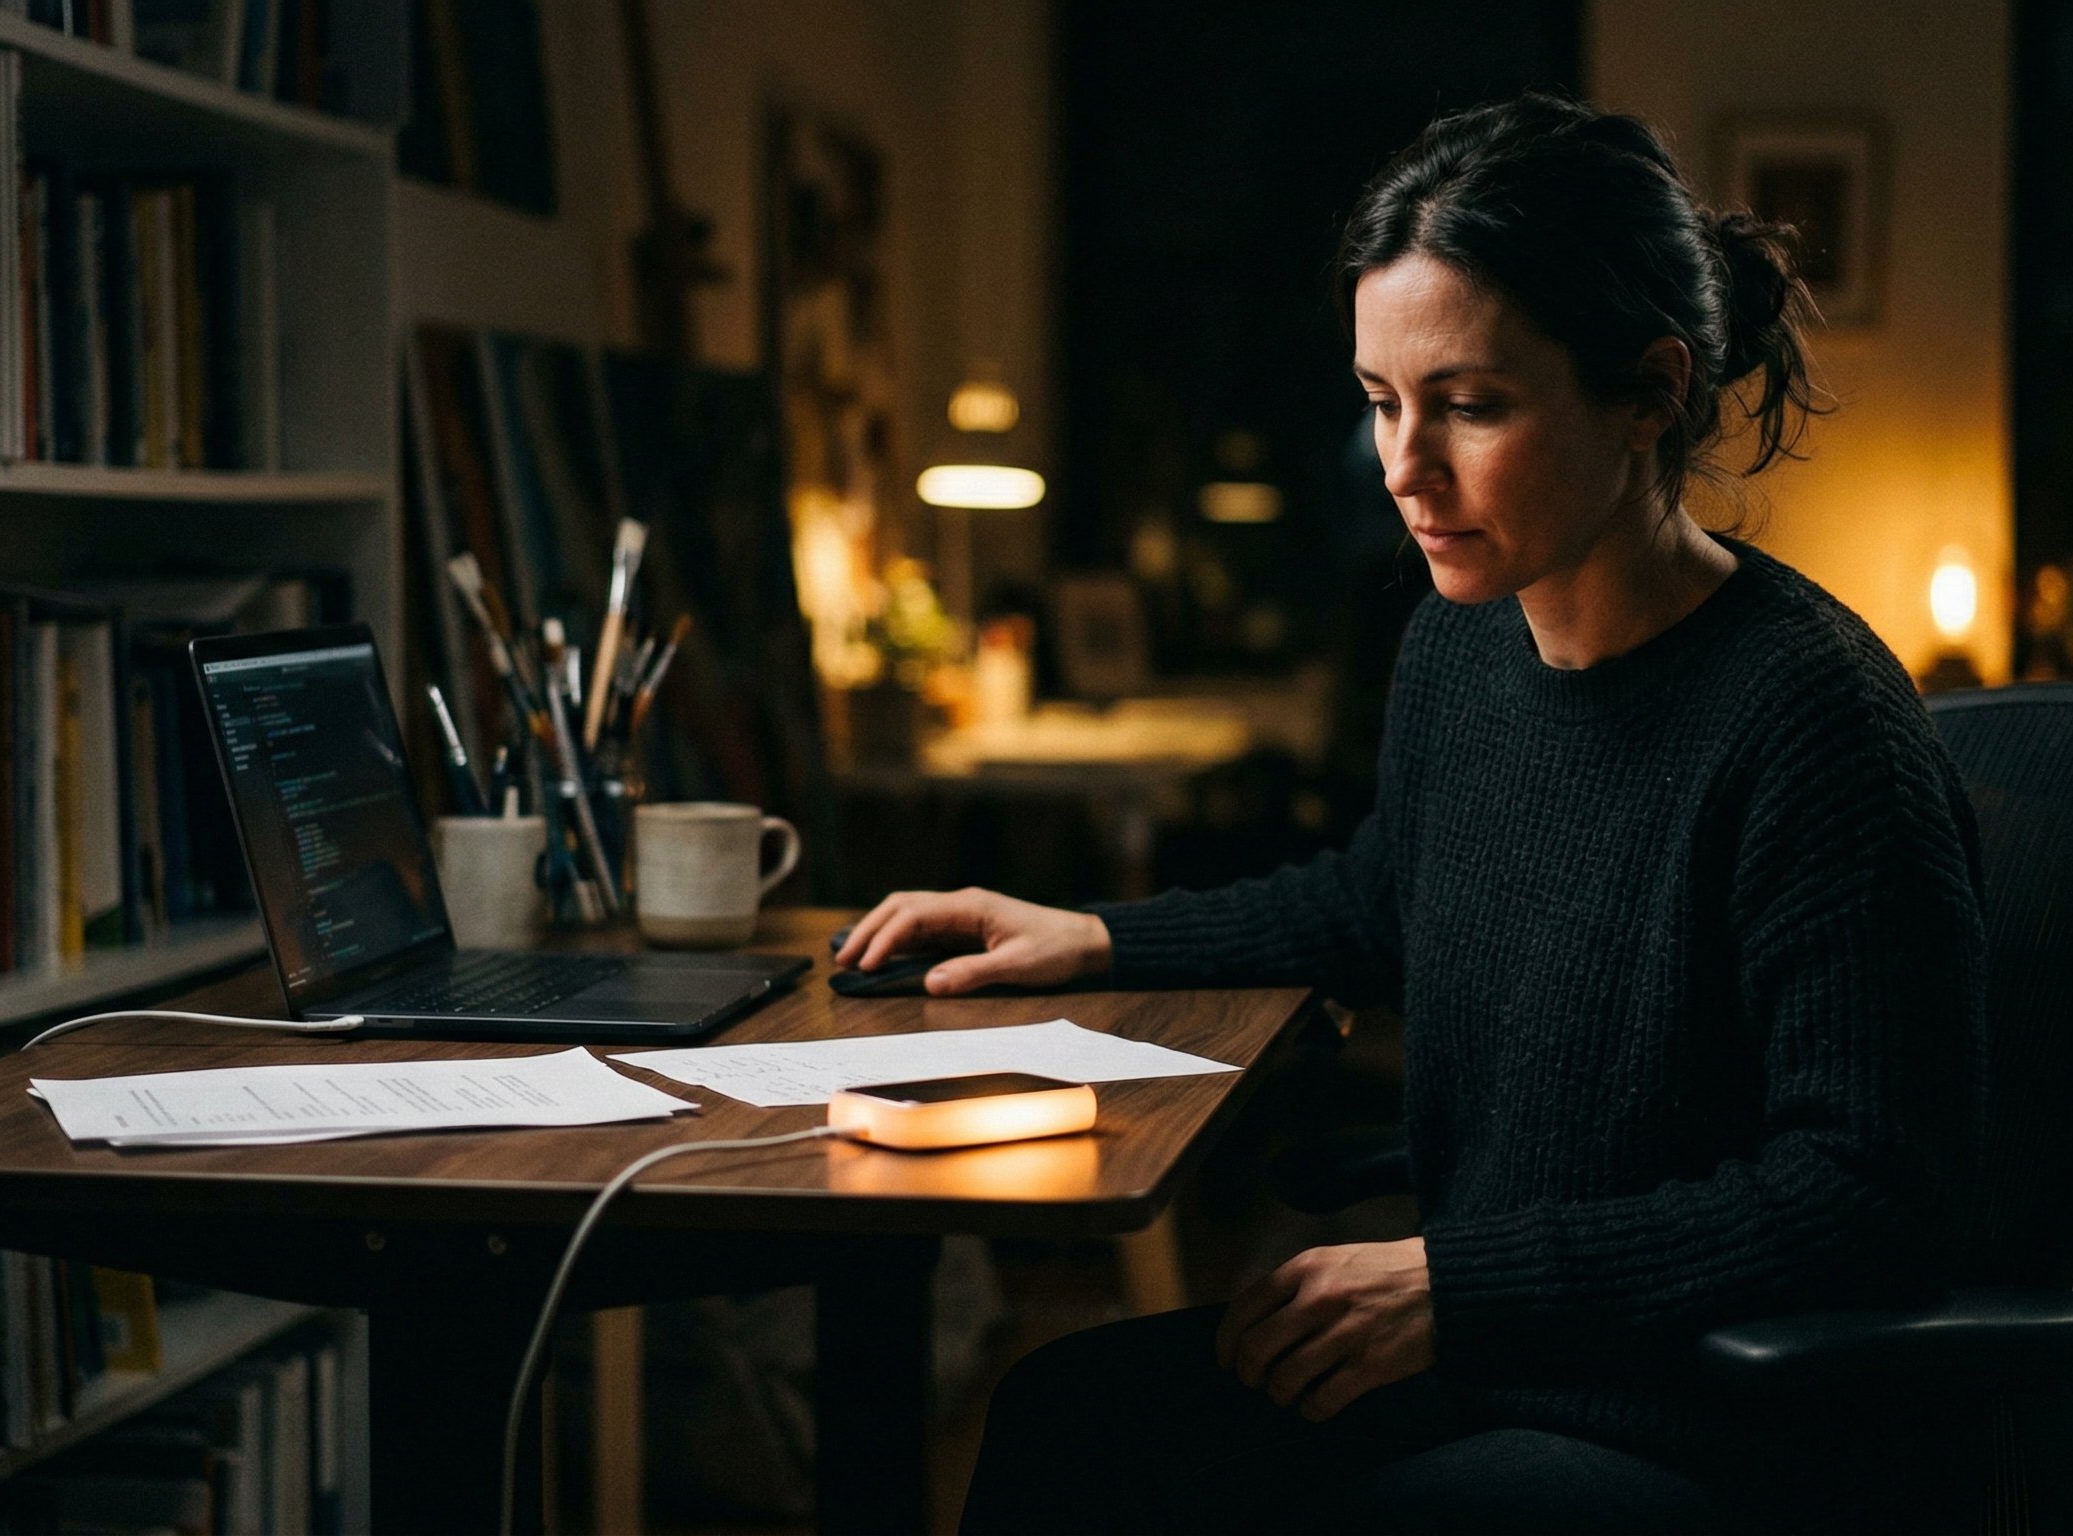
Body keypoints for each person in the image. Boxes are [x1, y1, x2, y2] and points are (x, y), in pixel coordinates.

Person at [836, 91, 1989, 1533]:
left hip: (1722, 1417)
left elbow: (1869, 1195)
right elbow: (1386, 897)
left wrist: (1459, 1281)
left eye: (1471, 406)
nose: (1402, 467)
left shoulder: (1813, 726)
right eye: (1383, 403)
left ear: (1650, 391)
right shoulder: (1467, 642)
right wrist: (1086, 932)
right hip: (1509, 1359)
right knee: (1070, 1423)